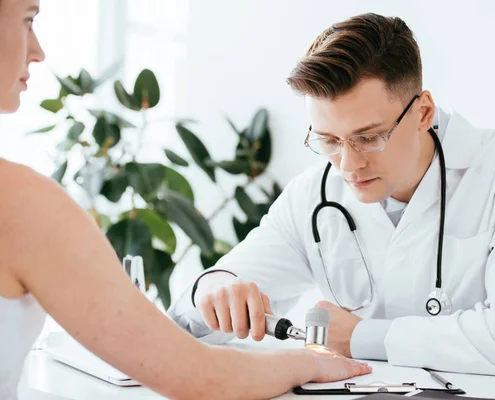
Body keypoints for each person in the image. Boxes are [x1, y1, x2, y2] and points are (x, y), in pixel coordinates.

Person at [0, 1, 372, 399]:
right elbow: (200, 376)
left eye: (368, 136)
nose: (37, 50)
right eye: (27, 20)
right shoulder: (23, 204)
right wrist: (311, 360)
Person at [169, 12, 495, 377]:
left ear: (423, 112)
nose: (347, 165)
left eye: (369, 137)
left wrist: (360, 337)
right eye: (327, 140)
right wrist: (213, 288)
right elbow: (189, 322)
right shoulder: (313, 196)